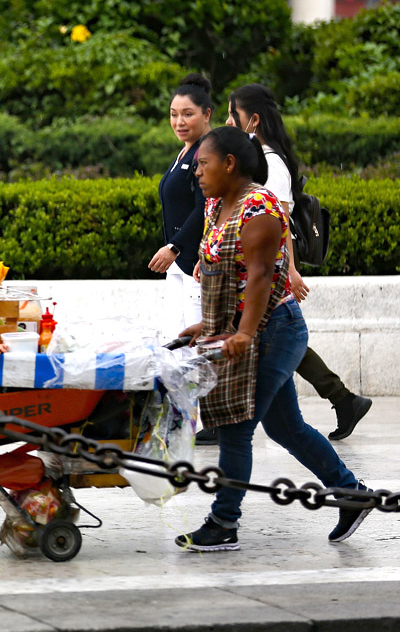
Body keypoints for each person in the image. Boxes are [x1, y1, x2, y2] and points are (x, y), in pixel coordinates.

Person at [175, 127, 369, 552]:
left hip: (275, 330)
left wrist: (244, 331)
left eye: (204, 164)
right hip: (244, 330)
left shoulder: (258, 207)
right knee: (286, 428)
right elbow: (223, 275)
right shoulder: (215, 206)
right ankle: (352, 493)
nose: (198, 173)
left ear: (230, 164)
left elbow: (261, 274)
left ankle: (224, 522)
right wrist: (206, 327)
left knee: (235, 427)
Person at [225, 84, 372, 440]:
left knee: (276, 337)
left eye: (234, 115)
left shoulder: (270, 163)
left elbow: (279, 222)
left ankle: (337, 400)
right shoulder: (259, 158)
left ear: (253, 120)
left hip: (269, 269)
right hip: (258, 268)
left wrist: (289, 271)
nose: (229, 121)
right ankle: (342, 399)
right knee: (275, 339)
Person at [149, 73, 212, 340]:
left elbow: (203, 208)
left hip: (196, 264)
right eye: (174, 114)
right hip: (179, 263)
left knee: (197, 348)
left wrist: (175, 245)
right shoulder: (185, 151)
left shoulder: (206, 152)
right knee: (174, 343)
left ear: (206, 114)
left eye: (188, 114)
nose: (179, 122)